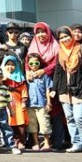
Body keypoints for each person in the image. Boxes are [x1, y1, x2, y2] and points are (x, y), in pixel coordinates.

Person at [52, 25, 82, 155]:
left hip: (81, 87)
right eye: (61, 37)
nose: (64, 39)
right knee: (70, 118)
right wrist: (54, 88)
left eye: (66, 36)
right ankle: (76, 143)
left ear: (71, 36)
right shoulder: (60, 52)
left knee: (79, 117)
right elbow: (57, 72)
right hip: (64, 89)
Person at [26, 22, 66, 150]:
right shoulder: (33, 46)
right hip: (36, 88)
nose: (40, 35)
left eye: (43, 31)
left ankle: (57, 141)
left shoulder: (55, 46)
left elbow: (57, 63)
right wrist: (28, 71)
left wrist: (43, 70)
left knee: (55, 112)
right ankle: (36, 142)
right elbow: (28, 61)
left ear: (48, 32)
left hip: (53, 81)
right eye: (37, 32)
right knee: (37, 117)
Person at [25, 52, 53, 151]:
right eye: (31, 63)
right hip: (30, 103)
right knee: (32, 125)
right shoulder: (26, 76)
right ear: (28, 64)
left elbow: (47, 89)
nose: (34, 66)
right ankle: (36, 143)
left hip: (42, 103)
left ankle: (46, 143)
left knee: (44, 123)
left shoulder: (44, 75)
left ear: (40, 64)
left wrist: (49, 102)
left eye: (36, 63)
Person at [2, 54, 29, 150]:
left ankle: (21, 141)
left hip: (18, 104)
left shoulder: (20, 78)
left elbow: (24, 90)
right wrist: (2, 80)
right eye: (7, 64)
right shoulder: (1, 78)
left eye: (12, 64)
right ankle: (10, 141)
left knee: (20, 123)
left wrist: (24, 102)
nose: (10, 67)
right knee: (8, 123)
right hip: (6, 104)